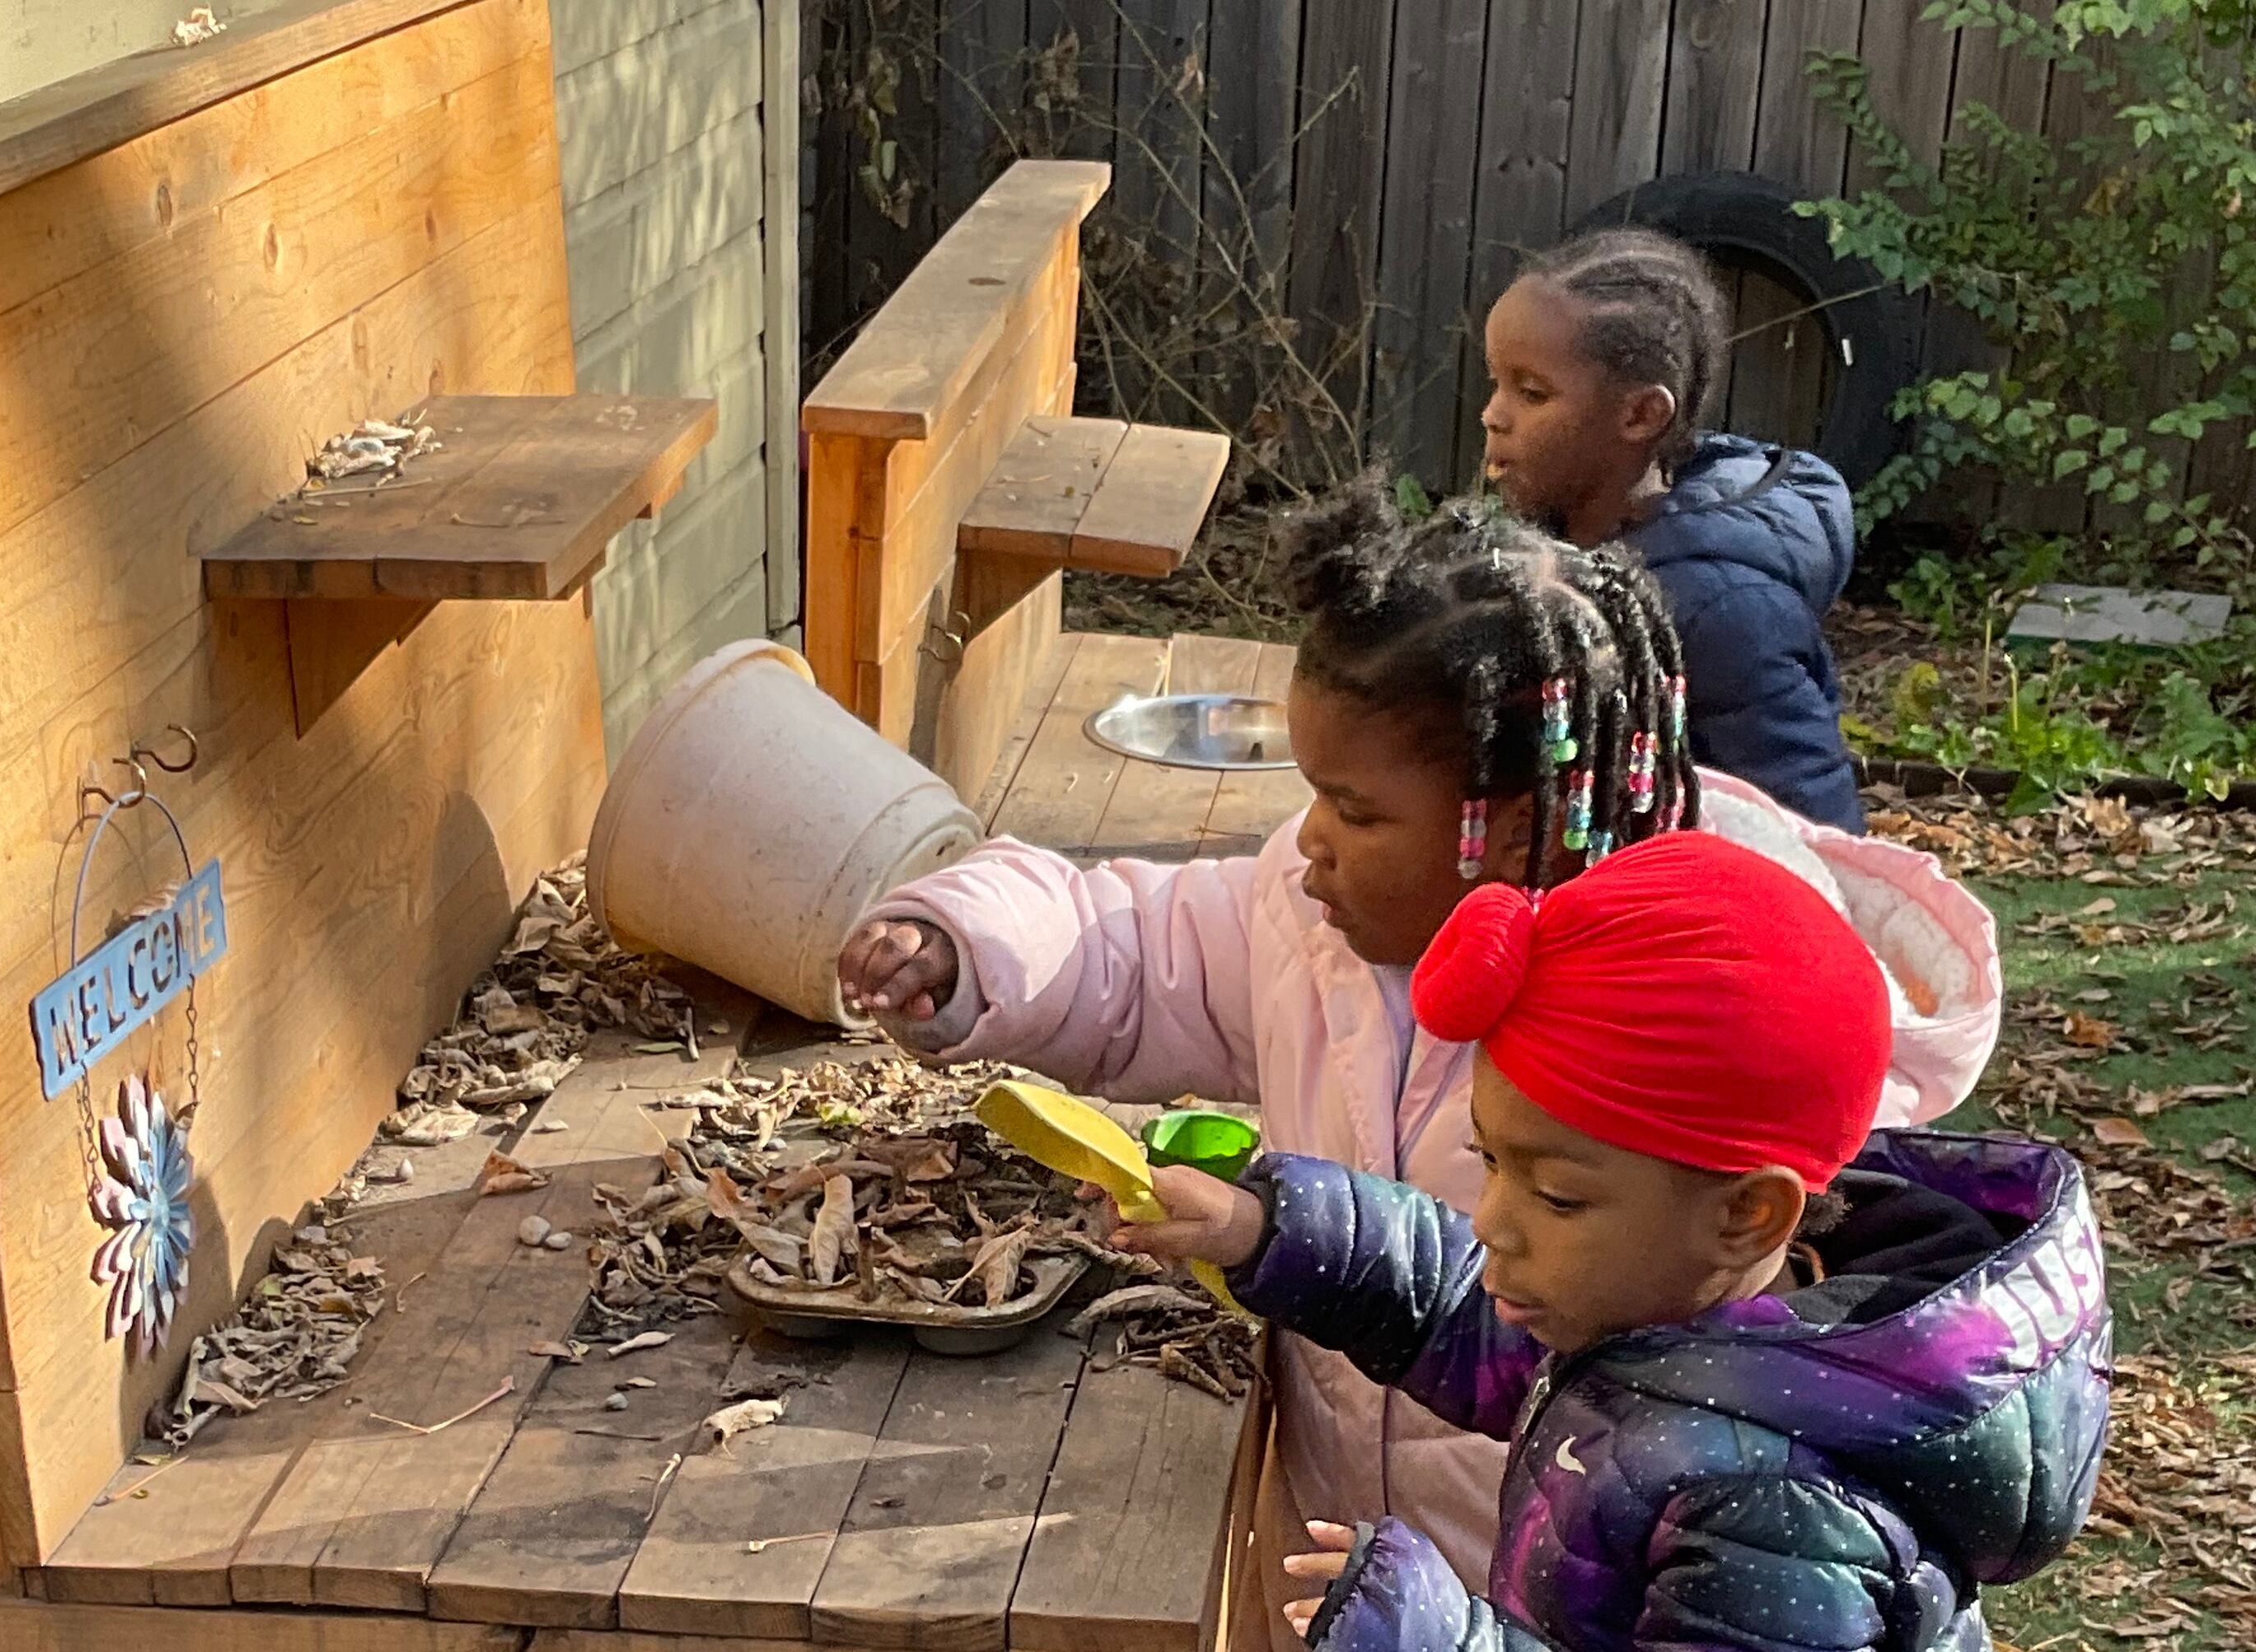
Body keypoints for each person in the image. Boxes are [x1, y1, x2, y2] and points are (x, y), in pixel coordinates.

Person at [837, 490, 2001, 1651]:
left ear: (1500, 826)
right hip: (1375, 1580)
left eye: (1351, 807)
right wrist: (977, 949)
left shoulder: (1711, 1072)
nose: (1309, 840)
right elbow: (1139, 951)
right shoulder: (1320, 932)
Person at [1105, 832, 2108, 1652]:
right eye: (1491, 1164)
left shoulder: (1779, 1504)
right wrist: (1266, 1226)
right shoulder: (1665, 1301)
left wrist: (1444, 1643)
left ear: (1748, 1214)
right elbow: (1468, 1316)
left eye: (1557, 1196)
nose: (1494, 1220)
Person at [1481, 227, 1866, 831]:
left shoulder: (1717, 610)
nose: (1493, 415)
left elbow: (1819, 836)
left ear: (1640, 415)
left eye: (1531, 393)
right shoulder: (1559, 541)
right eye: (1496, 383)